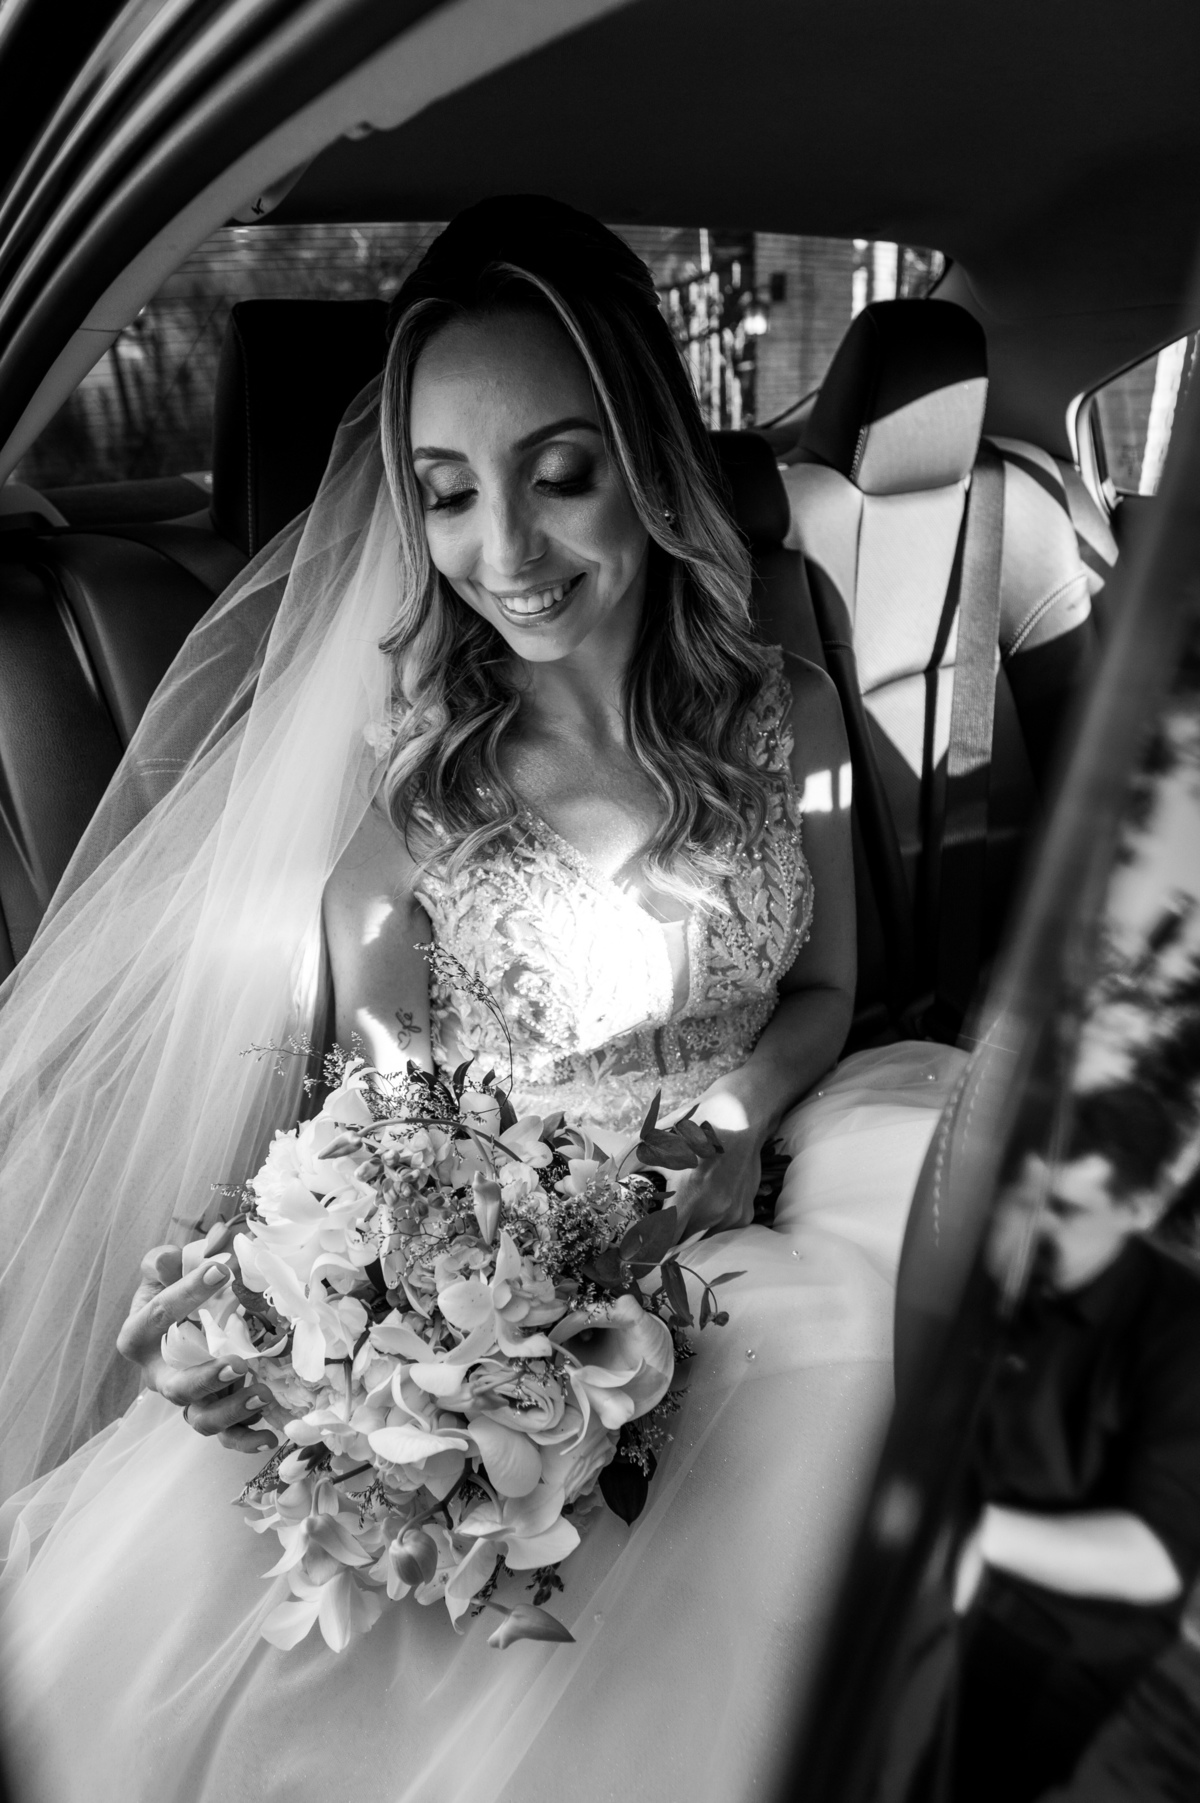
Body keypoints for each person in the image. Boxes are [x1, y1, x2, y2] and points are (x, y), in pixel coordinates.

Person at [0, 198, 964, 1803]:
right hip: (515, 1260)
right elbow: (380, 1118)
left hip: (778, 1180)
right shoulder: (416, 789)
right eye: (448, 493)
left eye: (560, 472)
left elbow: (825, 983)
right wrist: (308, 1319)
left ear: (652, 465)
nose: (504, 553)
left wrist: (737, 1116)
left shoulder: (788, 708)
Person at [949, 1084, 1200, 1803]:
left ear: (1139, 1208)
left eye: (1063, 1207)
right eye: (1023, 1194)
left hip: (1056, 1644)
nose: (1028, 1225)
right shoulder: (1004, 1254)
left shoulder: (1183, 1337)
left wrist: (975, 1532)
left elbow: (1153, 1559)